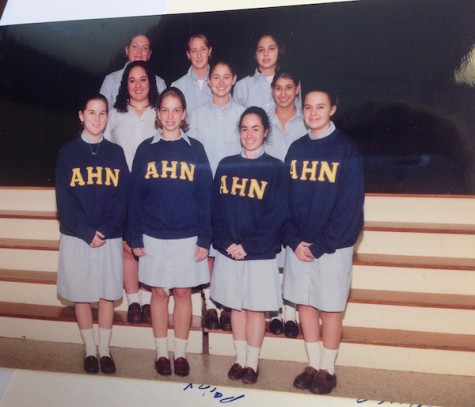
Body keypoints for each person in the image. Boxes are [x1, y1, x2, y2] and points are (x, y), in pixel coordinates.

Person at [282, 89, 364, 395]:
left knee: (330, 308)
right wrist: (293, 240)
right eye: (308, 107)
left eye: (320, 107)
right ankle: (313, 364)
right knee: (304, 303)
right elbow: (284, 201)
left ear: (332, 109)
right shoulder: (296, 149)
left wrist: (319, 245)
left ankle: (328, 369)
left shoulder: (347, 149)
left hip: (331, 247)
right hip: (299, 246)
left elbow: (349, 208)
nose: (313, 112)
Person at [129, 87, 213, 377]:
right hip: (153, 236)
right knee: (160, 294)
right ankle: (161, 352)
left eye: (176, 110)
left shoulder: (196, 149)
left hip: (188, 236)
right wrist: (135, 235)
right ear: (157, 113)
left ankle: (180, 353)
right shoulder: (146, 149)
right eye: (165, 109)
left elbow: (206, 197)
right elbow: (135, 197)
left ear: (184, 114)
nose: (170, 116)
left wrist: (205, 238)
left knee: (182, 293)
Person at [210, 107, 288, 385]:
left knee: (255, 308)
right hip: (229, 251)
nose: (249, 134)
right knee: (236, 307)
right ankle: (239, 358)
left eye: (255, 128)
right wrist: (227, 243)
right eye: (244, 128)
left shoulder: (276, 168)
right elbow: (215, 210)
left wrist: (249, 246)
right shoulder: (227, 165)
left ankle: (252, 362)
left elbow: (277, 214)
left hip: (259, 252)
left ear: (265, 132)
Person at [55, 94, 130, 375]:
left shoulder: (116, 152)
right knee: (82, 294)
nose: (97, 118)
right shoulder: (67, 153)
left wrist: (106, 230)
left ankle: (105, 350)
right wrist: (87, 232)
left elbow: (122, 196)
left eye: (102, 113)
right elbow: (65, 200)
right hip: (78, 235)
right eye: (92, 112)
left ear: (107, 116)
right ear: (81, 115)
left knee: (107, 294)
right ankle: (89, 349)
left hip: (107, 235)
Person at [188, 61, 245, 331]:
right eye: (215, 77)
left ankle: (227, 303)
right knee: (210, 247)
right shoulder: (197, 115)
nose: (220, 82)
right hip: (205, 189)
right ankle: (210, 303)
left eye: (226, 77)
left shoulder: (244, 115)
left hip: (235, 191)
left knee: (229, 246)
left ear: (234, 79)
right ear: (208, 81)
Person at [104, 60, 159, 324]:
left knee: (148, 246)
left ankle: (149, 301)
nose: (138, 85)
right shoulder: (115, 113)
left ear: (152, 82)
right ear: (125, 85)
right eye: (132, 80)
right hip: (122, 190)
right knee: (128, 247)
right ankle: (134, 300)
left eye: (143, 79)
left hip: (154, 190)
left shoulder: (160, 113)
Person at [264, 69, 307, 338]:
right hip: (268, 198)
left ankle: (291, 312)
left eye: (288, 87)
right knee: (271, 256)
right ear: (272, 91)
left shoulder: (306, 122)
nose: (283, 93)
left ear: (297, 89)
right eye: (278, 88)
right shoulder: (263, 122)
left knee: (292, 256)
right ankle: (274, 311)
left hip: (297, 198)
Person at [234, 33, 296, 114]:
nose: (266, 54)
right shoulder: (241, 87)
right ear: (255, 54)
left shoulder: (292, 82)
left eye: (271, 49)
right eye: (261, 50)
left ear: (279, 51)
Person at [100, 34, 166, 108]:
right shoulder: (111, 80)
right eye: (135, 46)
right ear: (127, 50)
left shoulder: (159, 83)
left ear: (149, 54)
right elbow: (101, 111)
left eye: (145, 48)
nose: (139, 51)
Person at [171, 34, 213, 114]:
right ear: (188, 54)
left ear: (209, 51)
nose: (199, 55)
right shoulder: (177, 86)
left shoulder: (221, 84)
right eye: (194, 51)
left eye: (203, 49)